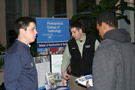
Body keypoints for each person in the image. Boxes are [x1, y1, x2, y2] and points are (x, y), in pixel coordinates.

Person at [86, 11, 135, 90]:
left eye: (98, 29)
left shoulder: (105, 50)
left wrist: (90, 88)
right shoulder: (132, 47)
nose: (99, 33)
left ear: (104, 25)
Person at [61, 21, 100, 90]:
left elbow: (101, 57)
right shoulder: (70, 44)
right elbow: (66, 58)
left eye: (74, 32)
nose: (72, 35)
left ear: (80, 31)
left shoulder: (93, 41)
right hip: (75, 79)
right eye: (71, 32)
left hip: (91, 78)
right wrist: (63, 71)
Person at [4, 17, 38, 90]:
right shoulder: (15, 53)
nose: (36, 32)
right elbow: (11, 85)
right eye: (32, 29)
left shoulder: (24, 49)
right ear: (22, 31)